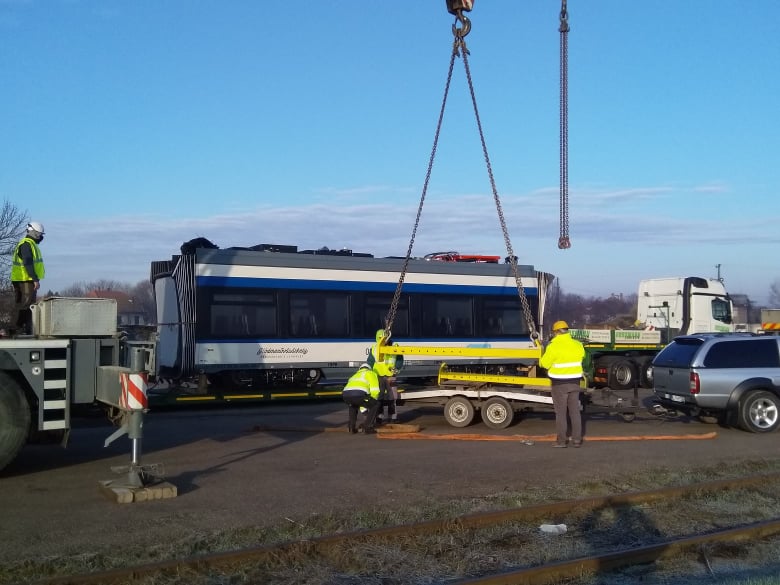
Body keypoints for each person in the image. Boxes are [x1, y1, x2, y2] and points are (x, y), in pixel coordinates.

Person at [539, 320, 585, 448]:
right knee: (575, 412)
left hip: (559, 384)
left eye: (554, 332)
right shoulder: (578, 345)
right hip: (575, 382)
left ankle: (561, 441)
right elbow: (582, 357)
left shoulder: (553, 346)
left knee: (561, 413)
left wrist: (541, 355)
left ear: (557, 332)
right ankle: (577, 440)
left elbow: (544, 364)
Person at [11, 221, 46, 336]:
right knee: (27, 304)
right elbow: (28, 263)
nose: (40, 237)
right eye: (39, 234)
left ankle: (20, 328)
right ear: (34, 233)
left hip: (22, 279)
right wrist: (35, 279)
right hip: (25, 279)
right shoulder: (26, 245)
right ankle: (19, 328)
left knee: (22, 304)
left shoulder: (28, 244)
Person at [341, 363, 382, 434]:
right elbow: (375, 390)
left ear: (360, 369)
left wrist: (363, 406)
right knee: (375, 404)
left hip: (346, 395)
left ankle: (351, 427)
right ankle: (367, 427)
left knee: (353, 405)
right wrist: (371, 402)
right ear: (369, 369)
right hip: (359, 394)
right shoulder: (371, 373)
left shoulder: (354, 375)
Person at [368, 329, 395, 424]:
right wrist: (370, 373)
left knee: (392, 397)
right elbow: (370, 361)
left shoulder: (394, 346)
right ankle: (379, 417)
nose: (382, 340)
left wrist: (396, 369)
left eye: (384, 338)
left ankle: (392, 417)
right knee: (379, 397)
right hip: (378, 376)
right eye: (380, 338)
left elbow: (399, 359)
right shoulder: (374, 348)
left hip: (390, 376)